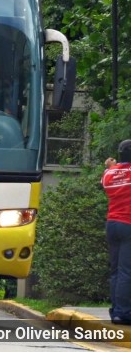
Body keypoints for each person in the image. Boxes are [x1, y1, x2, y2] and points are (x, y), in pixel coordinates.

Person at [102, 139, 131, 325]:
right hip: (128, 223)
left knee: (115, 271)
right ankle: (123, 313)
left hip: (112, 223)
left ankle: (115, 311)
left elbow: (109, 176)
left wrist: (111, 166)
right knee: (126, 271)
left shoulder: (109, 174)